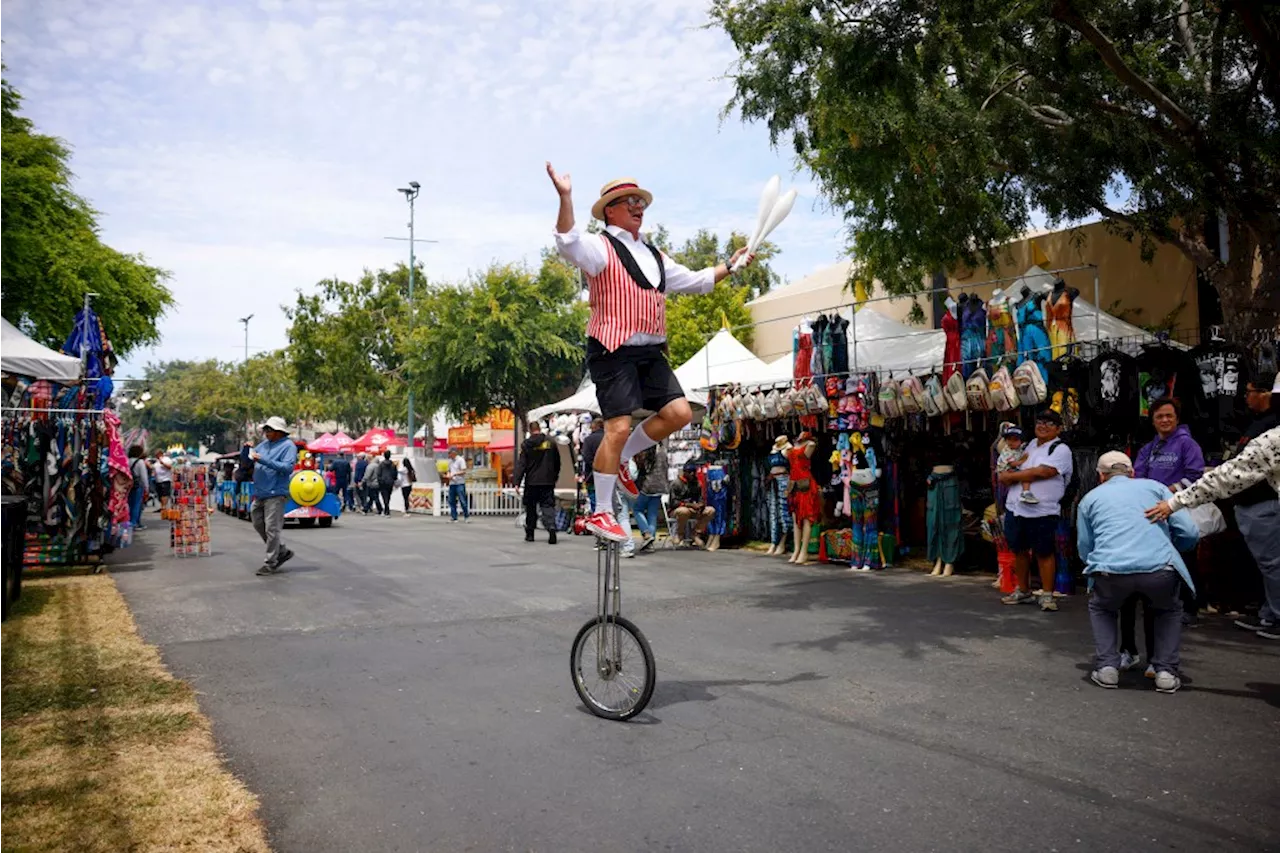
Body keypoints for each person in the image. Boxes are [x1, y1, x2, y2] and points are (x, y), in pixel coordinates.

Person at [548, 162, 754, 541]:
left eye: (640, 201)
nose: (638, 206)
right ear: (610, 210)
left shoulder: (654, 255)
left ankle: (624, 458)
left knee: (679, 413)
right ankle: (602, 513)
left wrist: (731, 265)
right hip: (612, 349)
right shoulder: (600, 247)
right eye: (629, 201)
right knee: (618, 427)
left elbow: (696, 281)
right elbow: (567, 242)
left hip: (649, 352)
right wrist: (565, 197)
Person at [1147, 372, 1280, 640]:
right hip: (1251, 506)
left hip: (1259, 507)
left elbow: (1226, 477)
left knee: (1273, 565)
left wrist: (1174, 501)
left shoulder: (1273, 438)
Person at [1078, 452, 1199, 693]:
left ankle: (1107, 669)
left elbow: (1085, 546)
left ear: (1101, 476)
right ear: (1132, 473)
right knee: (1168, 610)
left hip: (1110, 571)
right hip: (1159, 568)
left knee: (1102, 607)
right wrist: (1172, 548)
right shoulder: (1156, 488)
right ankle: (1165, 672)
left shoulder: (1089, 499)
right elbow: (1189, 531)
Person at [1128, 397, 1206, 652]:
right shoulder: (1148, 449)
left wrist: (1167, 493)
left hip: (1179, 510)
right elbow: (1137, 478)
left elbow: (1195, 476)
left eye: (1168, 416)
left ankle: (1191, 608)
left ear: (1177, 418)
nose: (1164, 420)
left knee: (1186, 557)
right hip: (1153, 513)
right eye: (1159, 416)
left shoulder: (1187, 444)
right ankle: (1161, 607)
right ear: (1153, 420)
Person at [999, 409, 1074, 611]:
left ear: (1058, 429)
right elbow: (1016, 465)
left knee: (1044, 552)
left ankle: (1047, 594)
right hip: (1015, 508)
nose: (1043, 426)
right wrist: (1009, 472)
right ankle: (1023, 590)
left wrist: (1011, 477)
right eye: (1040, 421)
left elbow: (1045, 472)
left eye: (1049, 423)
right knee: (1019, 550)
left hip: (1042, 510)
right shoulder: (1030, 444)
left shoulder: (1060, 449)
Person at [242, 417, 299, 576]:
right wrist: (246, 450)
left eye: (269, 430)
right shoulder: (263, 445)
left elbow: (287, 468)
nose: (266, 433)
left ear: (279, 432)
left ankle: (271, 562)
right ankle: (280, 551)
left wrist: (264, 460)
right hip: (260, 492)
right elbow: (248, 461)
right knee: (257, 522)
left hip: (275, 492)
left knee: (272, 528)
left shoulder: (288, 446)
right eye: (265, 430)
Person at [514, 420, 561, 544]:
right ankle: (551, 527)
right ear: (539, 428)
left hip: (532, 482)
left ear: (530, 430)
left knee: (531, 508)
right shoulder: (550, 442)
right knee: (548, 506)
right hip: (547, 481)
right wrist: (554, 476)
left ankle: (530, 533)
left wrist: (517, 482)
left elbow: (522, 464)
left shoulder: (527, 444)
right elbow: (557, 461)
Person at [669, 461, 714, 547]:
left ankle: (696, 533)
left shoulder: (697, 483)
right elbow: (673, 502)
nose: (692, 474)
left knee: (710, 511)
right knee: (684, 511)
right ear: (685, 472)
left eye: (694, 471)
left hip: (694, 510)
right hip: (677, 510)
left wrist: (701, 505)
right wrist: (689, 505)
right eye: (690, 472)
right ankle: (680, 534)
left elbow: (700, 499)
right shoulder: (676, 483)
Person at [632, 443, 668, 551]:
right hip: (660, 485)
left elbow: (641, 469)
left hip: (647, 485)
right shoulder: (663, 452)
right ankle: (650, 542)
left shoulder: (646, 452)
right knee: (652, 513)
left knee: (637, 509)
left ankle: (646, 533)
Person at [994, 425, 1035, 504]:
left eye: (1015, 440)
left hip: (1012, 470)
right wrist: (1025, 460)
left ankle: (1025, 492)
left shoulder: (1019, 449)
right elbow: (1013, 463)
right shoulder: (1007, 451)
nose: (1011, 442)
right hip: (1006, 471)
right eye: (1009, 439)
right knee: (1026, 476)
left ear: (1021, 441)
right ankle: (1026, 492)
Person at [579, 419, 604, 511]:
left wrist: (595, 466)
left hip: (592, 475)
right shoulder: (609, 438)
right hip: (609, 474)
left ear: (594, 427)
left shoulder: (589, 440)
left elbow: (586, 457)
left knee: (594, 502)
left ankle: (596, 519)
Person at [126, 445, 149, 531]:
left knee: (129, 504)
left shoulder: (127, 461)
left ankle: (128, 522)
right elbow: (143, 476)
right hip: (138, 485)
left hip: (128, 484)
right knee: (137, 505)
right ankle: (134, 523)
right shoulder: (140, 462)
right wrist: (146, 487)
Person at [446, 448, 470, 522]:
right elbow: (449, 470)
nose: (449, 455)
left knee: (462, 500)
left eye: (450, 454)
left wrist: (455, 474)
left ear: (454, 453)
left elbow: (464, 471)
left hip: (460, 482)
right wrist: (448, 475)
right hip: (452, 483)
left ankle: (466, 516)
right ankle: (454, 517)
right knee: (451, 500)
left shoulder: (460, 460)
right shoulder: (450, 461)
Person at [375, 449, 397, 517]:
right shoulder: (393, 464)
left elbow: (378, 473)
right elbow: (395, 474)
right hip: (390, 482)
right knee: (388, 496)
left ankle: (386, 510)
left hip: (383, 482)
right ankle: (387, 509)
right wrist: (393, 479)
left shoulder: (381, 464)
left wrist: (380, 480)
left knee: (384, 496)